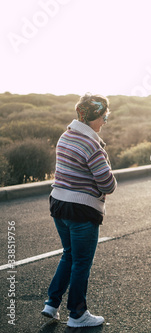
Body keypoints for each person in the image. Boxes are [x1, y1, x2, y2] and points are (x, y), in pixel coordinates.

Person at [41, 93, 117, 328]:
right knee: (81, 262)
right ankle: (77, 314)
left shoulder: (66, 136)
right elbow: (108, 184)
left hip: (59, 205)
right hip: (81, 210)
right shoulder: (91, 144)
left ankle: (52, 304)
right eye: (104, 116)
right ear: (94, 116)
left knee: (69, 254)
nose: (105, 121)